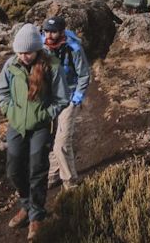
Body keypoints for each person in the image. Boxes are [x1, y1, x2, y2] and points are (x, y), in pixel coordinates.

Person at [0, 24, 68, 241]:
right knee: (14, 169)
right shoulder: (11, 64)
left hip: (40, 127)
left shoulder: (51, 65)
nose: (23, 56)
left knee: (38, 168)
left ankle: (36, 215)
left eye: (27, 52)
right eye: (19, 52)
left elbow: (62, 98)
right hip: (16, 125)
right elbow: (2, 92)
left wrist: (45, 115)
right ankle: (26, 205)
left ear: (37, 49)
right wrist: (9, 111)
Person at [41, 16, 90, 190]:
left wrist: (77, 98)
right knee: (53, 139)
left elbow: (84, 74)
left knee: (62, 142)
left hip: (69, 97)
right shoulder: (40, 47)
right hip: (49, 98)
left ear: (61, 32)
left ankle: (70, 181)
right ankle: (53, 174)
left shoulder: (74, 48)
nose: (49, 35)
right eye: (46, 31)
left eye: (53, 32)